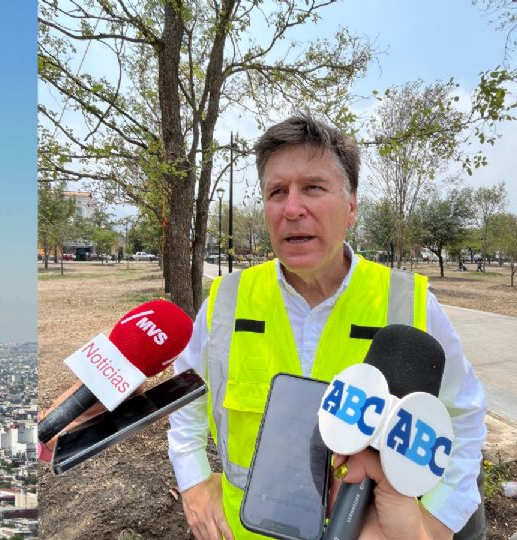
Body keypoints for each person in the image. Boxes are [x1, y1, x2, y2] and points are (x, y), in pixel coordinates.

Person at [167, 115, 487, 540]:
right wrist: (192, 480)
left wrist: (437, 522)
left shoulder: (409, 304)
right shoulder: (226, 300)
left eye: (313, 188)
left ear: (352, 205)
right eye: (276, 192)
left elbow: (463, 419)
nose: (292, 208)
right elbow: (184, 399)